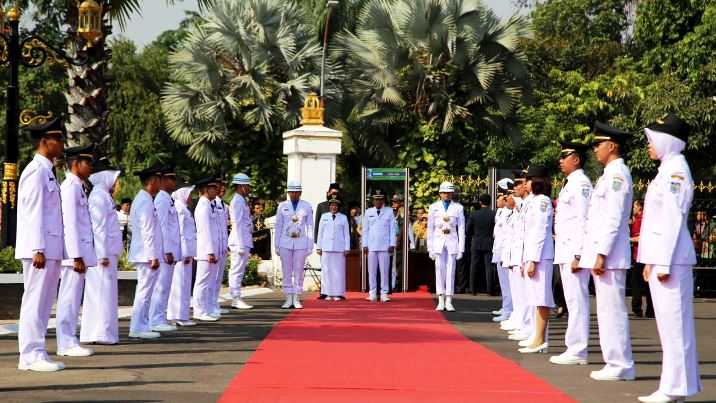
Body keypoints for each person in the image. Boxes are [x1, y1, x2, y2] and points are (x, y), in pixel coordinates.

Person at [637, 114, 702, 403]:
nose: (648, 146)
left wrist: (661, 262)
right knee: (669, 327)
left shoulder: (676, 171)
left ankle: (675, 388)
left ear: (667, 140)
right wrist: (650, 259)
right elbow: (656, 222)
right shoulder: (667, 170)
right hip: (665, 259)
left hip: (672, 260)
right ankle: (676, 386)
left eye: (651, 140)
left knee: (676, 327)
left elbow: (673, 220)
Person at [580, 121, 635, 381]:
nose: (595, 150)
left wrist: (602, 253)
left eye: (598, 144)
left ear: (611, 146)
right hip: (605, 253)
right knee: (605, 311)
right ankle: (614, 361)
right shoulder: (608, 174)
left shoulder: (616, 175)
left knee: (612, 311)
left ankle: (621, 364)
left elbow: (613, 218)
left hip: (610, 255)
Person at [16, 118, 66, 372]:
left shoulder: (48, 171)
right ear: (44, 141)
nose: (61, 144)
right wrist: (37, 248)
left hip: (50, 248)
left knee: (45, 302)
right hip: (40, 250)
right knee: (35, 302)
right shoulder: (35, 171)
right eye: (57, 139)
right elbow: (32, 212)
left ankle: (38, 351)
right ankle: (29, 355)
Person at [550, 142, 593, 366]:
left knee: (577, 300)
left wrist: (579, 253)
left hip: (573, 251)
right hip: (565, 250)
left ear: (575, 159)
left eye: (564, 157)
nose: (560, 161)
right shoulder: (570, 184)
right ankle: (574, 347)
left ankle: (578, 349)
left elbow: (584, 219)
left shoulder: (581, 184)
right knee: (571, 300)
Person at [56, 145, 97, 358]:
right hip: (74, 255)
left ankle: (70, 339)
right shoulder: (70, 187)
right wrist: (75, 256)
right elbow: (69, 223)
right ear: (75, 164)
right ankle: (66, 342)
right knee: (69, 299)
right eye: (87, 162)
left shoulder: (78, 186)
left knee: (73, 298)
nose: (90, 167)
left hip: (78, 253)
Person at [81, 157, 123, 345]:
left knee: (106, 294)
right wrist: (102, 254)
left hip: (108, 253)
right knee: (100, 293)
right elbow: (98, 228)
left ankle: (103, 332)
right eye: (114, 178)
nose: (116, 183)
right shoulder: (98, 196)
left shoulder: (104, 195)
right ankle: (99, 333)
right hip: (102, 255)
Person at [518, 166, 555, 354]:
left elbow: (540, 231)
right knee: (534, 297)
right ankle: (537, 337)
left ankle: (540, 339)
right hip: (532, 255)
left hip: (540, 256)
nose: (526, 183)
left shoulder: (543, 201)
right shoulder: (534, 201)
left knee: (541, 298)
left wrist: (533, 259)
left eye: (529, 179)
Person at [128, 165, 164, 339]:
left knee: (146, 291)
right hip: (146, 254)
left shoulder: (145, 199)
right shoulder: (145, 201)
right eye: (158, 180)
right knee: (144, 291)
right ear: (152, 181)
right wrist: (153, 256)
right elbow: (147, 230)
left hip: (145, 253)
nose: (160, 183)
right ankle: (137, 327)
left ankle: (142, 324)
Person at [148, 165, 181, 333]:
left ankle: (160, 316)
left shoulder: (167, 198)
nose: (174, 182)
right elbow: (161, 226)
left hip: (170, 250)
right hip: (164, 251)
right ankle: (155, 319)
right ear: (163, 180)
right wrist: (167, 249)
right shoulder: (161, 198)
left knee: (165, 286)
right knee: (161, 286)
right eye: (171, 178)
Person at [275, 180, 314, 309]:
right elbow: (279, 225)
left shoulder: (306, 206)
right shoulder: (282, 206)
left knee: (298, 270)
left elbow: (309, 226)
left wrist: (310, 244)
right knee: (286, 271)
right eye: (291, 191)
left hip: (301, 242)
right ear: (288, 192)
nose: (294, 194)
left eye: (296, 191)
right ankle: (288, 298)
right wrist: (276, 244)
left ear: (300, 192)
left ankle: (296, 297)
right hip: (285, 242)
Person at [427, 182, 466, 311]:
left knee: (451, 271)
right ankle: (440, 299)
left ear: (452, 193)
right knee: (439, 270)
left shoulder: (458, 208)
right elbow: (430, 228)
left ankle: (449, 299)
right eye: (444, 192)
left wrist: (461, 248)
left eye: (449, 192)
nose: (446, 195)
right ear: (440, 193)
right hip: (438, 242)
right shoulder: (433, 207)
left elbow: (461, 228)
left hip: (452, 241)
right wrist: (429, 247)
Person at [167, 183, 197, 327]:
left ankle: (183, 315)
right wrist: (184, 252)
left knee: (185, 284)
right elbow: (179, 232)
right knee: (179, 284)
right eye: (189, 194)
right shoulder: (179, 208)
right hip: (182, 252)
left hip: (188, 251)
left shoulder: (184, 208)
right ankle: (176, 315)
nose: (191, 197)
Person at [192, 177, 221, 321]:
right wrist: (210, 251)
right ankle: (199, 310)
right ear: (205, 189)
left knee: (209, 282)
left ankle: (207, 308)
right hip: (205, 251)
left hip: (212, 249)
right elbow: (205, 231)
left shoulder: (210, 204)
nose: (216, 190)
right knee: (202, 282)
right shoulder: (203, 206)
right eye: (213, 187)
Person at [362, 189, 396, 302]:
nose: (378, 201)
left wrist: (392, 244)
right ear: (373, 200)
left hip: (385, 246)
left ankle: (384, 293)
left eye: (380, 199)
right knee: (371, 271)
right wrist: (365, 244)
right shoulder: (368, 212)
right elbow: (365, 230)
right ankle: (372, 293)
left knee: (385, 271)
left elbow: (392, 229)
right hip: (371, 246)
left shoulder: (389, 211)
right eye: (376, 199)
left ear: (383, 200)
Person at [228, 173, 254, 310]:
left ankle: (236, 297)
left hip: (244, 239)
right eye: (248, 186)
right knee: (236, 270)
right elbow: (236, 223)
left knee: (239, 270)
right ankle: (235, 298)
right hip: (239, 241)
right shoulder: (237, 201)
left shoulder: (242, 200)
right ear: (242, 186)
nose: (249, 189)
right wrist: (240, 244)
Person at [316, 197, 350, 300]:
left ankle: (338, 293)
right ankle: (327, 293)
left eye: (335, 205)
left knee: (338, 271)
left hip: (339, 247)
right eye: (332, 205)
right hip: (326, 247)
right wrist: (319, 247)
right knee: (326, 271)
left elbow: (346, 234)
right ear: (329, 206)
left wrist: (347, 247)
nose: (333, 207)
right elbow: (320, 232)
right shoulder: (324, 216)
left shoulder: (343, 218)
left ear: (338, 207)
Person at [466, 193, 495, 295]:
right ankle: (490, 289)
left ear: (480, 202)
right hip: (489, 242)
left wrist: (473, 236)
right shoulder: (493, 214)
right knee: (489, 267)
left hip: (476, 241)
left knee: (474, 266)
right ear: (490, 202)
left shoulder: (474, 214)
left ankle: (472, 289)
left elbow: (468, 229)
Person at [491, 190, 513, 323]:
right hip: (499, 250)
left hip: (506, 251)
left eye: (499, 198)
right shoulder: (500, 212)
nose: (497, 201)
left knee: (508, 283)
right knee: (504, 283)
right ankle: (506, 307)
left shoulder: (508, 212)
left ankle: (508, 309)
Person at [630, 199, 654, 318]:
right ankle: (649, 309)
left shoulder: (642, 220)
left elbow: (642, 237)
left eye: (634, 207)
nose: (632, 209)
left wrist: (630, 240)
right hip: (639, 255)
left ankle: (638, 307)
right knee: (645, 284)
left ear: (640, 207)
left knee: (638, 284)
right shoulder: (637, 220)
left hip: (642, 255)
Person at [211, 177, 230, 317]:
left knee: (218, 278)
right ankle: (210, 305)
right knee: (212, 278)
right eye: (220, 186)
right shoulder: (211, 204)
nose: (222, 189)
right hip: (214, 245)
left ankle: (215, 303)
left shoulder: (225, 205)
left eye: (224, 187)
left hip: (222, 245)